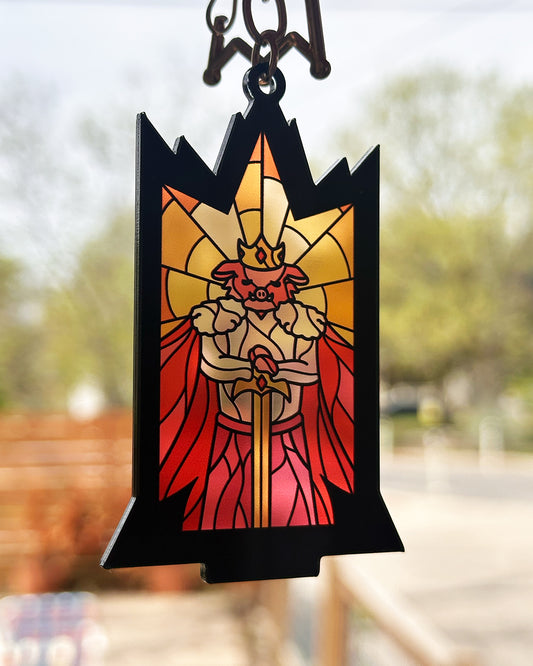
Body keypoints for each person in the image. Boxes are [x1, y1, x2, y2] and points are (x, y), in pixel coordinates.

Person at [159, 236, 354, 531]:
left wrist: (276, 368)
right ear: (233, 282)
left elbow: (310, 370)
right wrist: (250, 367)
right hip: (230, 436)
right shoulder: (219, 318)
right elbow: (212, 364)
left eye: (273, 284)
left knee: (296, 510)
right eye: (249, 283)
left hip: (288, 438)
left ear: (288, 284)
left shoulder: (300, 321)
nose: (261, 291)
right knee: (222, 512)